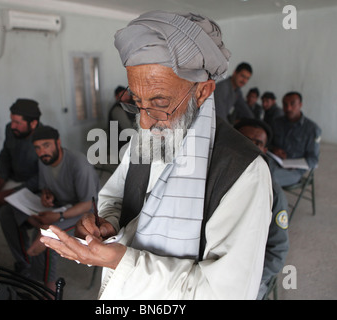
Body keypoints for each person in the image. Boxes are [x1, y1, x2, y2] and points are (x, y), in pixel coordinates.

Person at [40, 11, 272, 299]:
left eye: (159, 102)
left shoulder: (244, 172)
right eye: (137, 103)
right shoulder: (149, 132)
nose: (145, 122)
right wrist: (107, 222)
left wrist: (121, 261)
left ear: (203, 91)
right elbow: (116, 195)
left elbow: (226, 293)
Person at [0, 125, 100, 290]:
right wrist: (47, 196)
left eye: (46, 145)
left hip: (84, 213)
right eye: (37, 148)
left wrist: (59, 217)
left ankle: (48, 289)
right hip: (59, 208)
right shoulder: (44, 161)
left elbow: (87, 204)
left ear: (58, 143)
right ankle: (25, 263)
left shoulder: (79, 163)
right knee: (7, 212)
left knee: (45, 236)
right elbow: (46, 188)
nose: (42, 152)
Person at [0, 99, 42, 267]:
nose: (13, 126)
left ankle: (24, 262)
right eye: (12, 120)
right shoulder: (11, 131)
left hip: (35, 190)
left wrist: (11, 194)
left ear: (33, 123)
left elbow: (42, 177)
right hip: (11, 183)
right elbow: (4, 155)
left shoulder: (45, 139)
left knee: (8, 214)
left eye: (18, 122)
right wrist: (0, 182)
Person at [234, 118, 289, 300]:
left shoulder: (272, 192)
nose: (250, 146)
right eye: (243, 138)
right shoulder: (210, 178)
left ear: (265, 150)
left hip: (247, 276)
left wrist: (251, 278)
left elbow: (277, 249)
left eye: (257, 143)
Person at [270, 92, 322, 187]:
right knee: (254, 171)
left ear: (300, 105)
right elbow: (268, 144)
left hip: (294, 170)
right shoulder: (277, 123)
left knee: (268, 180)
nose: (288, 108)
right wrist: (273, 149)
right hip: (275, 162)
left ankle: (275, 201)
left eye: (292, 104)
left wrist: (295, 164)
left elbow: (313, 160)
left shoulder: (312, 129)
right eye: (285, 105)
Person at [108, 86, 136, 152]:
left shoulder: (131, 107)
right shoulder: (117, 110)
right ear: (117, 97)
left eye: (127, 94)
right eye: (123, 95)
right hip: (121, 146)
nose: (126, 96)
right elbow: (128, 129)